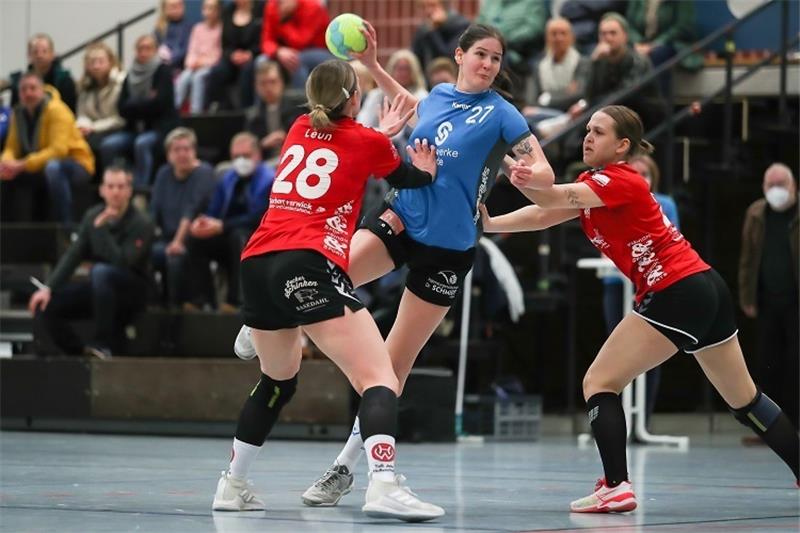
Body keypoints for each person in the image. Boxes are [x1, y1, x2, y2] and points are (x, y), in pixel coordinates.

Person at [237, 22, 554, 506]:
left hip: (448, 248)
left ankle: (345, 468)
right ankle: (265, 324)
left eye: (496, 58)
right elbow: (410, 103)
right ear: (461, 54)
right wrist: (374, 65)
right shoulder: (442, 94)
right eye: (481, 55)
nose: (488, 64)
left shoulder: (503, 115)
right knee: (326, 275)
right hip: (401, 218)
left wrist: (532, 175)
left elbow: (546, 174)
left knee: (391, 364)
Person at [479, 105, 800, 512]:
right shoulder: (594, 184)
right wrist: (492, 223)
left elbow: (551, 194)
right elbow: (546, 212)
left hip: (677, 289)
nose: (588, 137)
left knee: (599, 382)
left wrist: (511, 165)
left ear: (622, 146)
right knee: (746, 401)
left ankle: (616, 485)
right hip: (703, 289)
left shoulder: (621, 179)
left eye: (599, 132)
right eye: (588, 130)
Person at [212, 58, 445, 522]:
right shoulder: (367, 140)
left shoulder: (299, 126)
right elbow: (410, 178)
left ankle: (232, 484)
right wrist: (421, 163)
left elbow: (345, 144)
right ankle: (383, 483)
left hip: (257, 262)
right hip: (308, 261)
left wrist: (380, 134)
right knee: (378, 377)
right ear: (354, 97)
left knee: (278, 380)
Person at [28, 164, 155, 359]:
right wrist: (48, 288)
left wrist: (101, 230)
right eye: (111, 187)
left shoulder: (142, 223)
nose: (116, 192)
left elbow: (122, 262)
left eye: (121, 187)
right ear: (102, 190)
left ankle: (102, 344)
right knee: (47, 306)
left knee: (101, 272)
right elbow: (73, 255)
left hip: (133, 290)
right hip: (100, 289)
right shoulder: (92, 216)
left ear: (129, 191)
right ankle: (80, 352)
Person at [602, 154, 679, 430]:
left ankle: (642, 421)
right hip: (618, 281)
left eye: (645, 173)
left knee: (649, 352)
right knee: (616, 353)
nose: (640, 178)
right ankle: (616, 421)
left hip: (652, 282)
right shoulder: (609, 201)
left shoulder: (664, 204)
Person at [739, 163, 799, 430]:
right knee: (766, 363)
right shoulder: (756, 213)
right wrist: (746, 296)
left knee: (796, 362)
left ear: (793, 186)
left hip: (795, 301)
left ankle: (795, 423)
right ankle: (769, 427)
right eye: (771, 186)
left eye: (781, 185)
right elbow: (747, 259)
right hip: (766, 300)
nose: (776, 191)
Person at [183, 132, 272, 311]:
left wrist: (223, 226)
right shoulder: (227, 179)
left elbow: (259, 217)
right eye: (236, 156)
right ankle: (202, 299)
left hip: (256, 236)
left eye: (246, 156)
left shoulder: (270, 180)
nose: (240, 161)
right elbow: (214, 210)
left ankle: (235, 301)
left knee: (238, 237)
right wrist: (204, 222)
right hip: (226, 231)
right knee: (194, 239)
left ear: (258, 155)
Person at [0, 72, 95, 225]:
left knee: (53, 168)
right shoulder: (17, 113)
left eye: (33, 88)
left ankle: (66, 228)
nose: (28, 93)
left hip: (76, 164)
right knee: (5, 173)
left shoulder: (57, 110)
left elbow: (58, 151)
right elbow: (11, 148)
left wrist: (22, 165)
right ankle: (6, 231)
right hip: (38, 164)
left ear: (42, 90)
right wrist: (6, 163)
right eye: (24, 89)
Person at [100, 35, 179, 190]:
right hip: (133, 129)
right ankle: (119, 183)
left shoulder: (163, 71)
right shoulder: (129, 76)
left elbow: (161, 104)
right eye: (140, 48)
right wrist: (146, 102)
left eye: (148, 48)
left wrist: (134, 104)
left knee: (142, 143)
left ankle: (140, 190)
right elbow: (121, 108)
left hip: (159, 128)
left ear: (155, 51)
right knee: (108, 145)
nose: (143, 52)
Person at [150, 127, 216, 308]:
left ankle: (175, 313)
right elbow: (153, 211)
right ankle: (153, 307)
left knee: (175, 259)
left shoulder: (204, 172)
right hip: (166, 237)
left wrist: (178, 242)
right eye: (176, 150)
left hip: (195, 239)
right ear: (168, 155)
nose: (182, 154)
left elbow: (191, 209)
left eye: (186, 149)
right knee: (141, 254)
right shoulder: (163, 174)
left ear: (194, 151)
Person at [75, 42, 127, 177]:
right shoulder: (85, 86)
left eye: (100, 61)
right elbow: (82, 114)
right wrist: (83, 126)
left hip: (119, 129)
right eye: (92, 62)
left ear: (111, 62)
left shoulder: (121, 83)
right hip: (94, 131)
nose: (96, 66)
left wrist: (93, 127)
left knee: (107, 145)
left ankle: (110, 183)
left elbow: (121, 118)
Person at [260, 0, 332, 88]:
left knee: (295, 61)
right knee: (261, 61)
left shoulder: (313, 7)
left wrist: (283, 20)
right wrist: (278, 51)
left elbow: (300, 42)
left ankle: (298, 100)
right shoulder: (272, 6)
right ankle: (262, 102)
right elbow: (266, 40)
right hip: (286, 50)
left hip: (318, 50)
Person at [243, 59, 305, 162]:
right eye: (263, 83)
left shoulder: (300, 105)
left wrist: (287, 137)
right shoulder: (253, 115)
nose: (268, 88)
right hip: (266, 164)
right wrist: (262, 144)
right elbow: (247, 150)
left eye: (272, 82)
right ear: (256, 87)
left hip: (297, 158)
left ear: (282, 82)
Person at [205, 0, 261, 110]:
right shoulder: (227, 11)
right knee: (217, 72)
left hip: (253, 55)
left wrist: (250, 54)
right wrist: (231, 55)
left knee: (247, 72)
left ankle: (246, 111)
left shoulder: (260, 9)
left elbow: (263, 39)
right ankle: (219, 109)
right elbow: (224, 44)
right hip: (232, 57)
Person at [174, 0, 223, 113]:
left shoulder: (221, 29)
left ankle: (195, 113)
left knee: (198, 78)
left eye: (212, 8)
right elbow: (192, 50)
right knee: (184, 77)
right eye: (206, 8)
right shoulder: (197, 28)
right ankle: (175, 109)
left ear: (218, 11)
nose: (208, 12)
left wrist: (203, 63)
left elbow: (218, 54)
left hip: (210, 66)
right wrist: (191, 63)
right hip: (194, 65)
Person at [9, 33, 77, 113]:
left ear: (52, 54)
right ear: (29, 55)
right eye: (35, 52)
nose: (39, 55)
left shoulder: (65, 80)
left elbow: (70, 112)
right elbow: (15, 111)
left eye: (44, 51)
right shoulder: (20, 82)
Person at [411, 0, 471, 73]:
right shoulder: (424, 29)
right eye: (423, 7)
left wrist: (434, 31)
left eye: (432, 5)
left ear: (443, 6)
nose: (428, 11)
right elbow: (416, 59)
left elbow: (449, 57)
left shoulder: (459, 25)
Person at [155, 0, 194, 72]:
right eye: (173, 6)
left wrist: (171, 59)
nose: (176, 9)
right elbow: (155, 45)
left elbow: (186, 48)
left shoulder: (188, 26)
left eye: (179, 5)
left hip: (180, 65)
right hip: (161, 63)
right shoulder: (160, 26)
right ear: (165, 9)